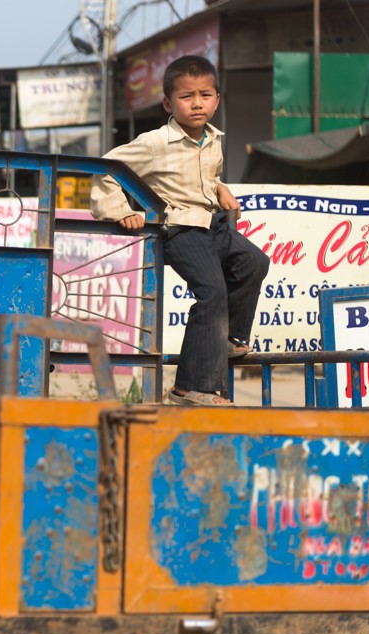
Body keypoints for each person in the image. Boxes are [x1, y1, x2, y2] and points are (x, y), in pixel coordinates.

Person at [90, 54, 270, 406]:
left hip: (211, 225)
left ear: (217, 100)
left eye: (205, 95)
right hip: (179, 229)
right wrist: (121, 211)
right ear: (168, 103)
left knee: (254, 262)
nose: (197, 103)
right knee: (212, 291)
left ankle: (227, 338)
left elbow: (202, 174)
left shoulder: (213, 139)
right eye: (187, 97)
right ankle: (190, 387)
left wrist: (219, 187)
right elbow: (106, 168)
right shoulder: (156, 143)